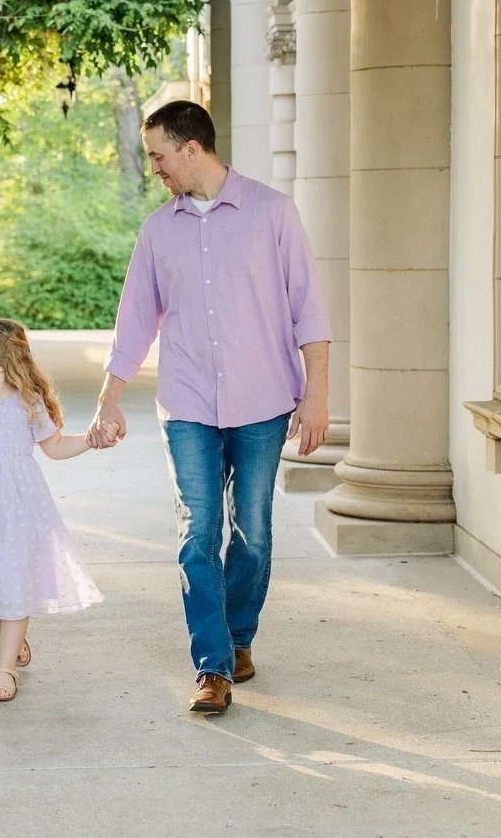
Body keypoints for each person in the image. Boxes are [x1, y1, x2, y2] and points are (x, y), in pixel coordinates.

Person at [88, 100, 331, 714]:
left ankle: (239, 636)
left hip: (263, 400)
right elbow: (135, 322)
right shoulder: (157, 230)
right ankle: (213, 666)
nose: (156, 170)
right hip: (189, 403)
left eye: (159, 156)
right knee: (198, 531)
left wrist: (318, 394)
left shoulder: (272, 213)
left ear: (191, 149)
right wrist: (108, 401)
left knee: (251, 533)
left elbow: (310, 309)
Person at [0, 317, 104, 703]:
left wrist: (90, 441)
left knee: (13, 585)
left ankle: (5, 668)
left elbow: (56, 447)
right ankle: (14, 635)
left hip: (20, 509)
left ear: (0, 361)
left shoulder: (27, 404)